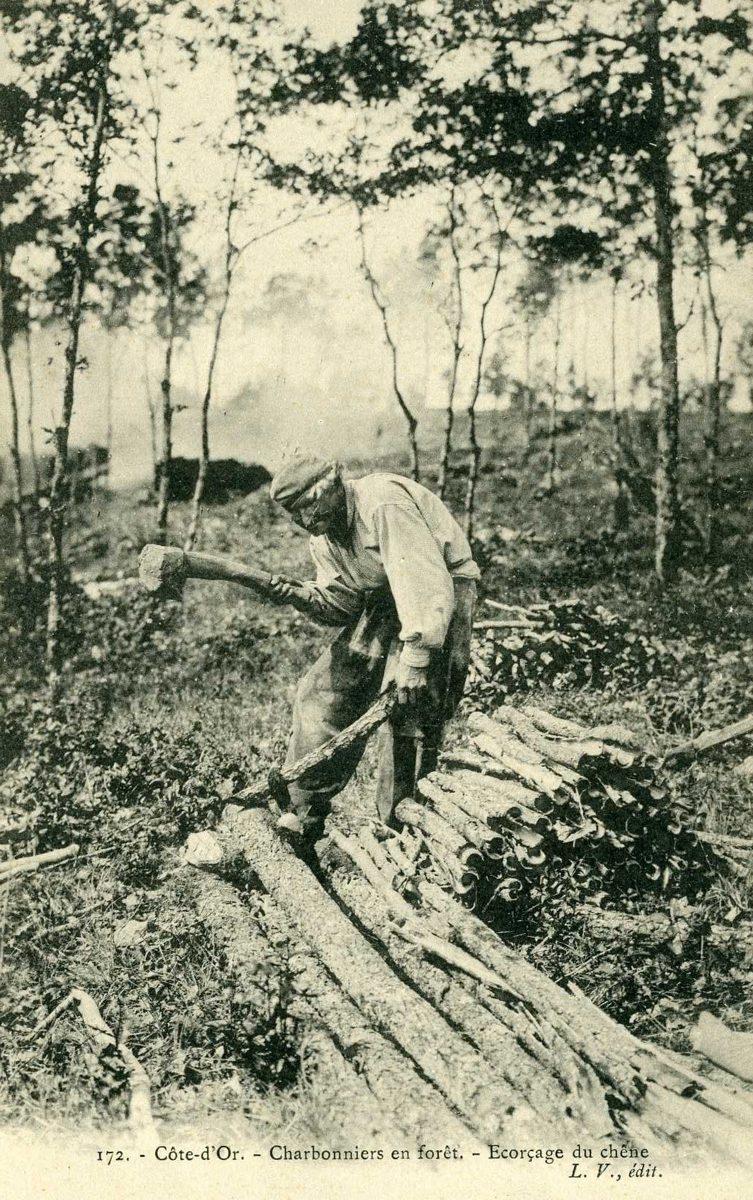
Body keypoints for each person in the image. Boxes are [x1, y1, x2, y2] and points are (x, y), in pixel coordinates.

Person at [267, 453, 480, 855]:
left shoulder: (382, 504)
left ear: (333, 489)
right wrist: (297, 596)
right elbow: (342, 604)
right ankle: (302, 819)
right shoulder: (324, 538)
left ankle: (403, 834)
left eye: (310, 507)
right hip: (385, 601)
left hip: (440, 595)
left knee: (411, 715)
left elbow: (425, 584)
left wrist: (416, 659)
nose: (306, 522)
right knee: (323, 694)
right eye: (295, 515)